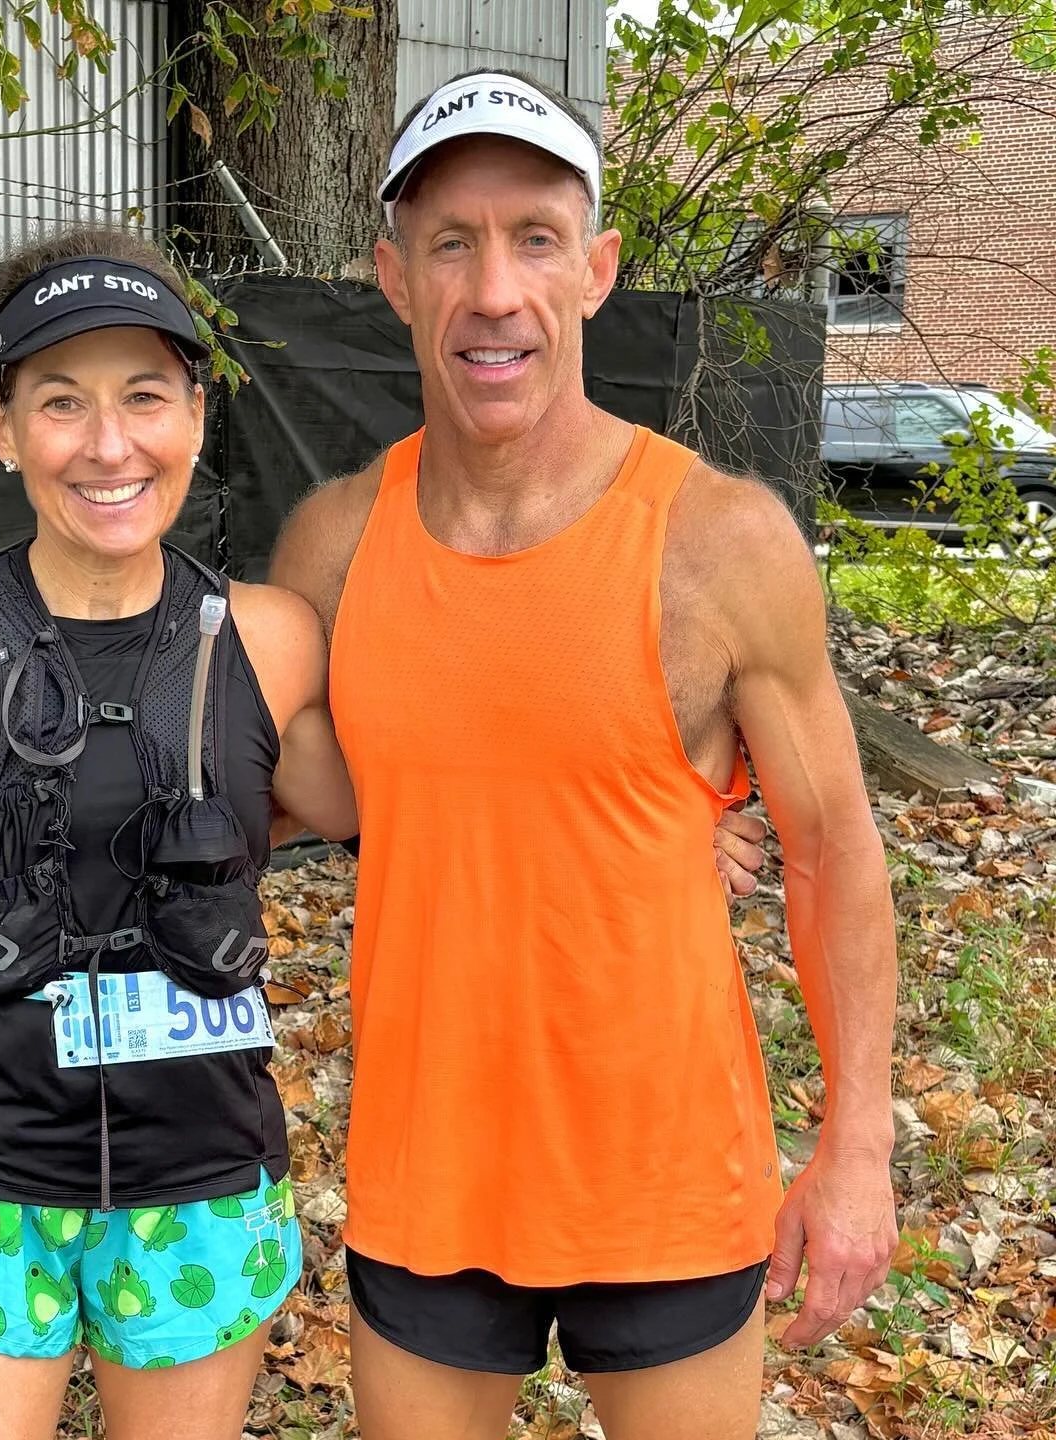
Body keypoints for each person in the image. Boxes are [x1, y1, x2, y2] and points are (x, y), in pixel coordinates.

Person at [265, 71, 899, 1440]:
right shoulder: (331, 546)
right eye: (453, 241)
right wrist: (26, 888)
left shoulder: (719, 543)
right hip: (427, 1177)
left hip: (664, 1179)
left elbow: (836, 848)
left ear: (598, 268)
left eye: (537, 237)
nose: (496, 291)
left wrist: (859, 1149)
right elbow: (239, 795)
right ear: (394, 276)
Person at [0, 224, 359, 1440]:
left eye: (146, 394)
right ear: (2, 428)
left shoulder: (275, 638)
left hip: (204, 1176)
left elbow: (378, 812)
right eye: (59, 403)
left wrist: (690, 811)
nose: (108, 444)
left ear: (196, 412)